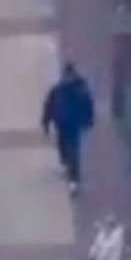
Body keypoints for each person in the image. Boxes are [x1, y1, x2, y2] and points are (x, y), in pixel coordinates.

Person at [43, 62, 97, 193]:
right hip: (62, 123)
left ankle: (74, 179)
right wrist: (46, 121)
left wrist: (88, 120)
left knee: (74, 151)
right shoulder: (60, 89)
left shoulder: (77, 89)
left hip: (73, 124)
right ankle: (66, 165)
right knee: (63, 145)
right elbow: (49, 105)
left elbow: (88, 105)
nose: (68, 78)